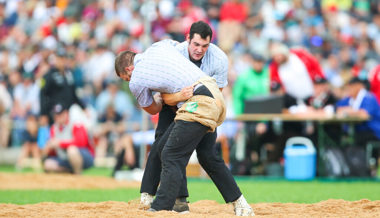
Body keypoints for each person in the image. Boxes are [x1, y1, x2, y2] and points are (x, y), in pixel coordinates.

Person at [115, 39, 254, 216]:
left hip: (197, 102)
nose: (128, 82)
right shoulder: (159, 46)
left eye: (126, 78)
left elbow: (153, 109)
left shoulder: (136, 80)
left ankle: (161, 207)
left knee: (170, 153)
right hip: (213, 93)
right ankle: (239, 203)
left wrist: (163, 97)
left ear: (129, 69)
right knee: (207, 155)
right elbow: (183, 47)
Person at [139, 21, 229, 212]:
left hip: (201, 109)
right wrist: (179, 98)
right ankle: (173, 199)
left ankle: (237, 200)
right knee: (163, 145)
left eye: (205, 46)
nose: (199, 50)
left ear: (210, 43)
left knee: (207, 154)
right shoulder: (175, 53)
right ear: (187, 38)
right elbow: (163, 93)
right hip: (171, 103)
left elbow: (216, 94)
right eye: (196, 44)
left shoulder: (219, 59)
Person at [42, 103, 94, 174]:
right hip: (64, 158)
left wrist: (60, 143)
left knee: (71, 150)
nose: (57, 117)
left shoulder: (76, 124)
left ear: (66, 114)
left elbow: (81, 142)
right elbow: (54, 151)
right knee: (48, 164)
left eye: (60, 115)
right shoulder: (54, 128)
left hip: (83, 156)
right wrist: (49, 148)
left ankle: (78, 174)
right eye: (56, 115)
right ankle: (69, 173)